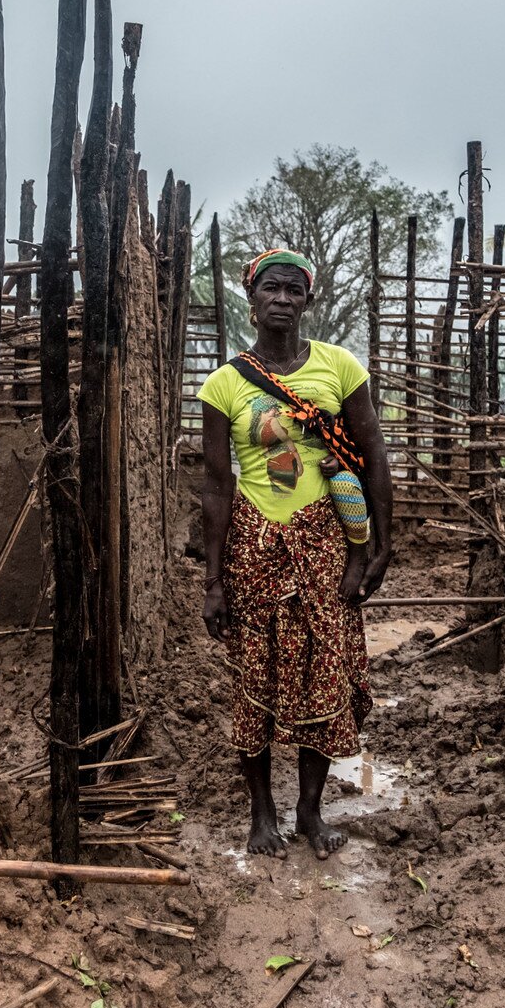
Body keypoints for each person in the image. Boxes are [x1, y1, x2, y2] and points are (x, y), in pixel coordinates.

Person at [198, 248, 393, 860]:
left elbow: (374, 456)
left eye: (293, 290)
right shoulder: (225, 383)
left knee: (324, 671)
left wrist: (380, 545)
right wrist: (212, 580)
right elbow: (215, 485)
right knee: (255, 675)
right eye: (270, 289)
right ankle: (263, 814)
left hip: (326, 545)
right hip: (254, 544)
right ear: (251, 300)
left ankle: (309, 812)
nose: (281, 299)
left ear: (308, 300)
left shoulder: (339, 368)